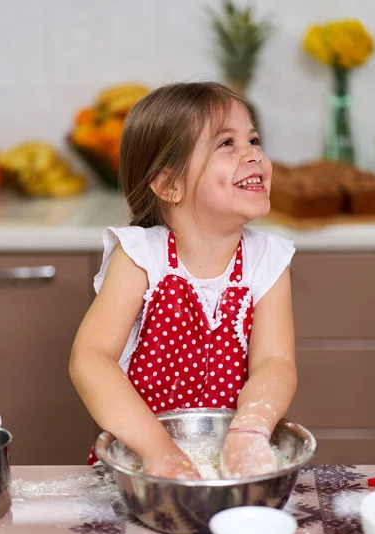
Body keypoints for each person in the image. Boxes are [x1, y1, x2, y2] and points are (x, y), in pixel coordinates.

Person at [69, 81, 297, 480]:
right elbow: (91, 359)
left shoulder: (268, 260)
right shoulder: (142, 256)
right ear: (169, 184)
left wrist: (248, 432)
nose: (254, 154)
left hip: (231, 462)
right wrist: (161, 452)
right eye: (227, 143)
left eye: (254, 138)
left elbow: (274, 363)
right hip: (142, 464)